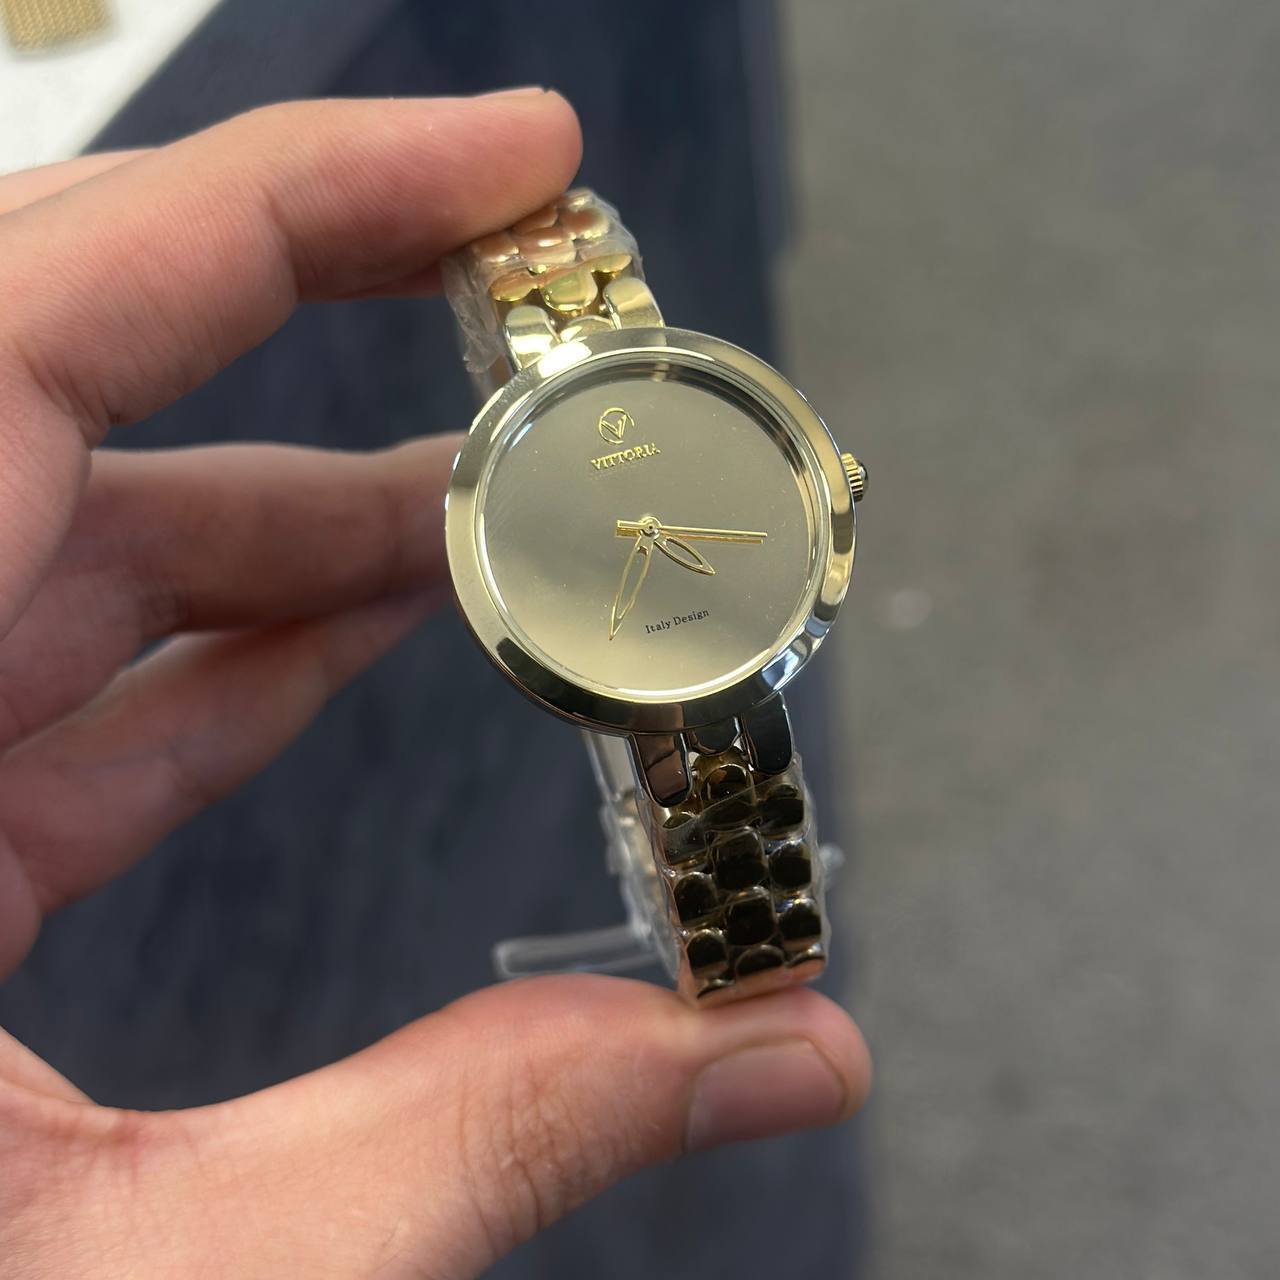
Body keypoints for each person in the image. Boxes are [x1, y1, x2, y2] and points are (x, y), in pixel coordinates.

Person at [0, 92, 871, 1276]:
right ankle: (720, 901)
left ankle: (720, 898)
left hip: (710, 659)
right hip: (677, 668)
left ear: (822, 483)